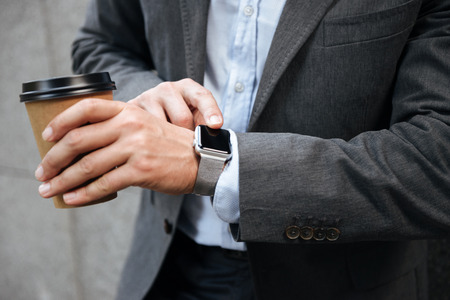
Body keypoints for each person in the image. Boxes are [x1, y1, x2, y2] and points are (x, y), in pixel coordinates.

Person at [34, 0, 450, 299]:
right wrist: (148, 98)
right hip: (166, 264)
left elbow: (437, 162)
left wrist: (212, 167)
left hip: (339, 279)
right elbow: (101, 43)